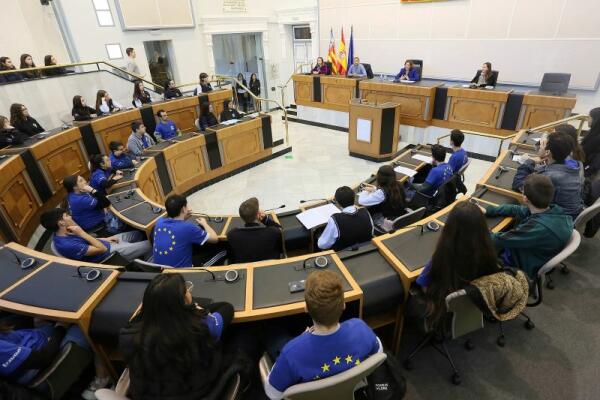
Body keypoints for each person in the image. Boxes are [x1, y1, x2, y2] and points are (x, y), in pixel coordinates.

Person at [265, 270, 382, 398]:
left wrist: (301, 340)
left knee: (273, 333)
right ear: (343, 305)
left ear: (306, 308)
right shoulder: (360, 328)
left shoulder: (290, 354)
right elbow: (378, 353)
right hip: (349, 393)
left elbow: (273, 394)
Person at [119, 274, 236, 399]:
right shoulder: (201, 328)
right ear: (184, 301)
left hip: (147, 394)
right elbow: (227, 308)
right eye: (186, 291)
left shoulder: (130, 334)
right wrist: (194, 308)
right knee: (242, 337)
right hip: (197, 393)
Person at [415, 201, 501, 324]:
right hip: (476, 298)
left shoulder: (443, 255)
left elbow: (422, 282)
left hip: (445, 300)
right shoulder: (489, 248)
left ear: (450, 227)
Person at [483, 174, 573, 278]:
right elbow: (517, 209)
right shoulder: (553, 210)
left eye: (522, 190)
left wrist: (478, 224)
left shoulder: (536, 228)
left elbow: (497, 240)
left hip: (522, 266)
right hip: (539, 253)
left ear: (525, 198)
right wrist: (489, 210)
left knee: (479, 246)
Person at [0, 318, 107, 398]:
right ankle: (102, 378)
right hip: (42, 359)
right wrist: (61, 327)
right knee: (90, 321)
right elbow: (42, 359)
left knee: (42, 311)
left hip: (33, 338)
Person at [512, 132, 584, 219]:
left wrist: (529, 162)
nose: (540, 146)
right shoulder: (573, 164)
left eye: (542, 144)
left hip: (555, 219)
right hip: (570, 214)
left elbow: (518, 184)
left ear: (548, 151)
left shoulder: (551, 177)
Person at [41, 208, 151, 263]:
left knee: (138, 233)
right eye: (67, 216)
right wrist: (82, 233)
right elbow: (102, 249)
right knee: (150, 244)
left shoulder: (65, 231)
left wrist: (105, 238)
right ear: (61, 223)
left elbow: (87, 240)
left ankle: (143, 254)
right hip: (109, 254)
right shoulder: (67, 245)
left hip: (105, 242)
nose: (70, 217)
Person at [152, 194, 219, 268]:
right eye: (186, 206)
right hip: (183, 272)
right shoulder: (188, 227)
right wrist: (205, 224)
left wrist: (183, 217)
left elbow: (176, 226)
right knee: (223, 250)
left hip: (161, 270)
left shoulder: (159, 222)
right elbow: (215, 239)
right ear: (183, 209)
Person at [227, 197, 283, 263]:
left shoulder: (232, 234)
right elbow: (281, 231)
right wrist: (265, 219)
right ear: (258, 214)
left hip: (245, 267)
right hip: (270, 266)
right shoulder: (273, 232)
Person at [318, 186, 373, 250]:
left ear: (338, 202)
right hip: (366, 249)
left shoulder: (335, 219)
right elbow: (371, 232)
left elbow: (322, 245)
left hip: (343, 254)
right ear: (354, 198)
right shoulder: (365, 212)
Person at [582, 107, 600, 177]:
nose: (587, 119)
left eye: (589, 117)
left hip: (587, 172)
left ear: (596, 120)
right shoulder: (593, 132)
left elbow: (594, 165)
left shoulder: (597, 138)